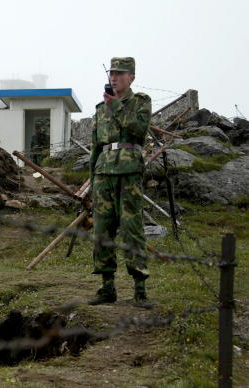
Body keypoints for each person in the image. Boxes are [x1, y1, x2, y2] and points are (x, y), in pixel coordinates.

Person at [88, 57, 153, 309]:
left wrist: (116, 107)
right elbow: (96, 148)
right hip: (104, 172)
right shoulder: (99, 108)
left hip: (129, 171)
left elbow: (138, 129)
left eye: (120, 73)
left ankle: (140, 289)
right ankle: (107, 287)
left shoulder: (140, 102)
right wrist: (93, 180)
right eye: (112, 73)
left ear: (132, 78)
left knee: (131, 228)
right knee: (102, 229)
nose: (114, 78)